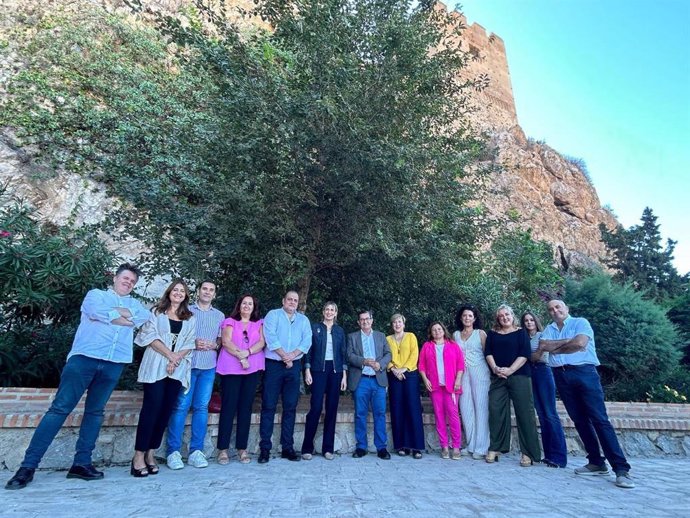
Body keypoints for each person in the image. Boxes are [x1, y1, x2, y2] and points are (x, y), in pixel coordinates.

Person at [5, 264, 148, 490]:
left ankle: (81, 463)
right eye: (125, 278)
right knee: (60, 409)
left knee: (95, 412)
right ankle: (27, 467)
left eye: (132, 281)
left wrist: (115, 314)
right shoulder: (96, 295)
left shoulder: (136, 305)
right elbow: (96, 312)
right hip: (85, 358)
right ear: (115, 278)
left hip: (114, 363)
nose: (128, 283)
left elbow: (142, 318)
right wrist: (120, 317)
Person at [538, 299, 635, 489]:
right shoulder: (549, 329)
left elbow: (580, 343)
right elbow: (544, 346)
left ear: (566, 308)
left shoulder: (580, 322)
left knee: (599, 419)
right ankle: (596, 462)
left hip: (584, 373)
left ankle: (621, 469)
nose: (554, 311)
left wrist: (557, 346)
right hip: (561, 376)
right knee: (579, 420)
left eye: (558, 307)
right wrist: (567, 342)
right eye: (551, 309)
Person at [131, 279, 196, 477]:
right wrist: (170, 355)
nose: (178, 293)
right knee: (151, 409)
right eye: (175, 290)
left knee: (165, 411)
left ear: (185, 296)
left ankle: (151, 453)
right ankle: (138, 455)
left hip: (176, 369)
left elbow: (190, 341)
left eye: (182, 291)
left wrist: (175, 359)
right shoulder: (156, 312)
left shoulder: (189, 317)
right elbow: (149, 337)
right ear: (169, 292)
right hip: (156, 365)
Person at [166, 280, 224, 470]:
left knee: (201, 407)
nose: (207, 292)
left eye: (211, 290)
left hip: (208, 367)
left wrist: (215, 345)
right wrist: (193, 343)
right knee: (181, 406)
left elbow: (220, 339)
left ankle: (196, 452)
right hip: (187, 366)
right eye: (204, 289)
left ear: (214, 294)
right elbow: (177, 335)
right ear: (198, 292)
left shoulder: (219, 315)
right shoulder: (187, 311)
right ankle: (173, 452)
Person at [258, 290, 312, 463]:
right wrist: (284, 356)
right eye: (289, 299)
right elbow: (270, 337)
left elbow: (307, 341)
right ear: (283, 300)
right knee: (268, 405)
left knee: (290, 407)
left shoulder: (303, 320)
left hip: (294, 366)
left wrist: (292, 356)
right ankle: (265, 448)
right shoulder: (273, 315)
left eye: (295, 300)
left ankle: (287, 447)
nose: (292, 302)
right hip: (274, 365)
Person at [484, 304, 541, 466]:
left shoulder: (521, 333)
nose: (504, 318)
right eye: (501, 316)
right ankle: (496, 448)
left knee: (525, 414)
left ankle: (527, 453)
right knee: (495, 411)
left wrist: (510, 370)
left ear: (512, 315)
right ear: (498, 318)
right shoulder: (492, 334)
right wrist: (495, 368)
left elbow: (524, 354)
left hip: (520, 376)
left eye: (507, 314)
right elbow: (488, 352)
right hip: (498, 377)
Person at [216, 294, 265, 465]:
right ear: (239, 305)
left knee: (245, 408)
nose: (247, 306)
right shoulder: (230, 321)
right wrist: (241, 356)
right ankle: (222, 450)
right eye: (244, 303)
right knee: (228, 407)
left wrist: (248, 353)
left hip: (252, 369)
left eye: (250, 303)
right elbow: (226, 341)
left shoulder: (259, 323)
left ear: (254, 307)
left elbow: (261, 343)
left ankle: (242, 448)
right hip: (231, 369)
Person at [301, 302, 347, 460]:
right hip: (317, 370)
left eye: (332, 310)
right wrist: (307, 370)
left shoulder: (340, 331)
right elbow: (308, 350)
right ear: (323, 312)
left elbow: (343, 354)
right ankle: (307, 447)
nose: (329, 312)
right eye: (327, 309)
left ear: (336, 313)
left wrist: (344, 376)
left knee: (332, 408)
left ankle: (328, 448)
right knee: (315, 407)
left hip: (335, 371)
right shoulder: (315, 328)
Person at [521, 310, 567, 468]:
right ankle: (549, 455)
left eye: (531, 320)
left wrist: (533, 355)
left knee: (550, 413)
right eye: (526, 320)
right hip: (529, 374)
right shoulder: (523, 337)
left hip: (542, 371)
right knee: (541, 414)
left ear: (536, 321)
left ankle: (559, 457)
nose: (529, 323)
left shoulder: (543, 335)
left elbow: (538, 357)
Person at [347, 309, 392, 460]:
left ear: (372, 320)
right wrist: (364, 361)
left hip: (378, 380)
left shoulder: (380, 336)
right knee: (360, 414)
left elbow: (388, 354)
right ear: (358, 322)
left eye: (367, 319)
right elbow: (349, 355)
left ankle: (381, 447)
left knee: (380, 413)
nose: (365, 321)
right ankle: (361, 447)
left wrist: (381, 364)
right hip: (361, 380)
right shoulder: (352, 337)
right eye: (362, 319)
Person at [419, 321, 464, 460]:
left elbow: (460, 364)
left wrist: (458, 380)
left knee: (453, 416)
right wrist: (426, 380)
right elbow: (421, 365)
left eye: (439, 329)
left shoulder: (453, 345)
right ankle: (444, 446)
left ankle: (456, 447)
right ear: (431, 333)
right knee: (439, 416)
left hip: (451, 387)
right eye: (434, 330)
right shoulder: (427, 346)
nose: (437, 332)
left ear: (444, 331)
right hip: (435, 387)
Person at [453, 305, 490, 460]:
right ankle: (471, 444)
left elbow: (488, 353)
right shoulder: (455, 335)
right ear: (461, 318)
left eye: (470, 316)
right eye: (464, 316)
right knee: (466, 408)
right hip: (462, 374)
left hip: (480, 371)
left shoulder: (480, 334)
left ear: (474, 318)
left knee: (481, 408)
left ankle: (482, 447)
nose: (467, 318)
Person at [386, 313, 425, 459]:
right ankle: (401, 445)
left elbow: (415, 354)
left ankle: (416, 447)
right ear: (392, 324)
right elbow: (385, 355)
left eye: (399, 322)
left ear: (404, 323)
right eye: (395, 322)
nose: (397, 324)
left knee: (413, 409)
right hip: (394, 375)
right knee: (397, 410)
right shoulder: (387, 339)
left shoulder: (411, 336)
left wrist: (405, 369)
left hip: (410, 375)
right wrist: (393, 368)